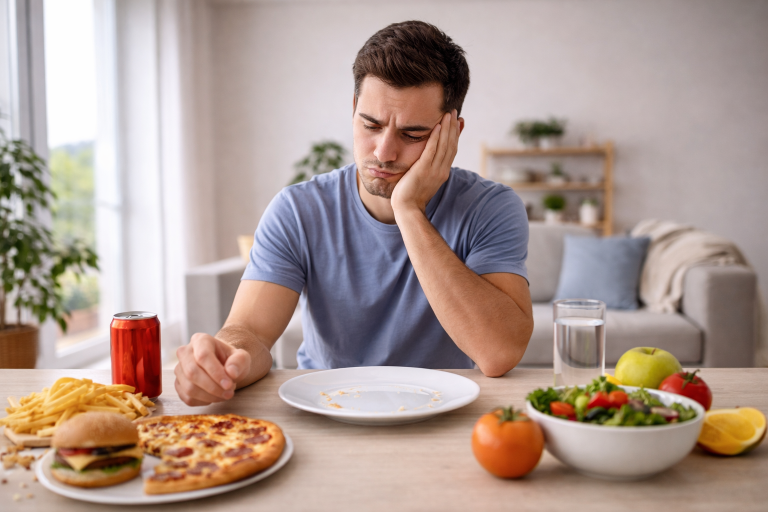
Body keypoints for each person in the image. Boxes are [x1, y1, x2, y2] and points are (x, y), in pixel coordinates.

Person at [174, 20, 533, 406]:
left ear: (452, 133)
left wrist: (408, 209)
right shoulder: (298, 210)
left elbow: (498, 354)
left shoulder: (491, 207)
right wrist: (226, 359)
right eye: (371, 124)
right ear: (353, 109)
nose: (383, 152)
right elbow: (250, 332)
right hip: (327, 407)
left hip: (442, 413)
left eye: (412, 134)